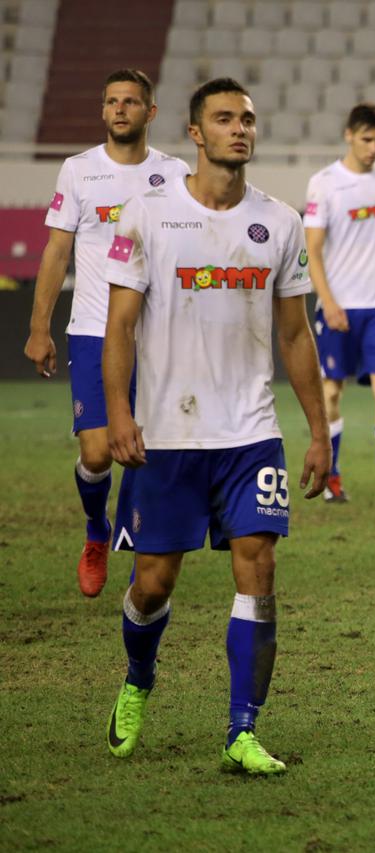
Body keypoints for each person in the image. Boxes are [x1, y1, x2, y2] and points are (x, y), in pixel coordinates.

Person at [102, 77, 330, 775]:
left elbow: (295, 335)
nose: (240, 129)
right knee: (153, 584)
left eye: (248, 119)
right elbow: (119, 327)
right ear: (196, 134)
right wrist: (119, 413)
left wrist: (320, 431)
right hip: (168, 435)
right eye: (225, 119)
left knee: (258, 566)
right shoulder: (145, 215)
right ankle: (139, 677)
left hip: (249, 433)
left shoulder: (280, 223)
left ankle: (242, 729)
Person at [23, 69, 189, 597]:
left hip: (156, 336)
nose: (120, 109)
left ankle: (141, 548)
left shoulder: (174, 174)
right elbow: (57, 251)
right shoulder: (78, 171)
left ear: (150, 112)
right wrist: (39, 327)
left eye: (131, 102)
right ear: (102, 110)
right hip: (94, 329)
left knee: (146, 449)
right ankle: (97, 529)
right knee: (97, 454)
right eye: (112, 101)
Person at [304, 103, 375, 506]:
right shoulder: (324, 184)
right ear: (349, 136)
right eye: (367, 139)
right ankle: (332, 477)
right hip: (339, 306)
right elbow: (312, 250)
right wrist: (328, 302)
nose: (373, 148)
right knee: (331, 393)